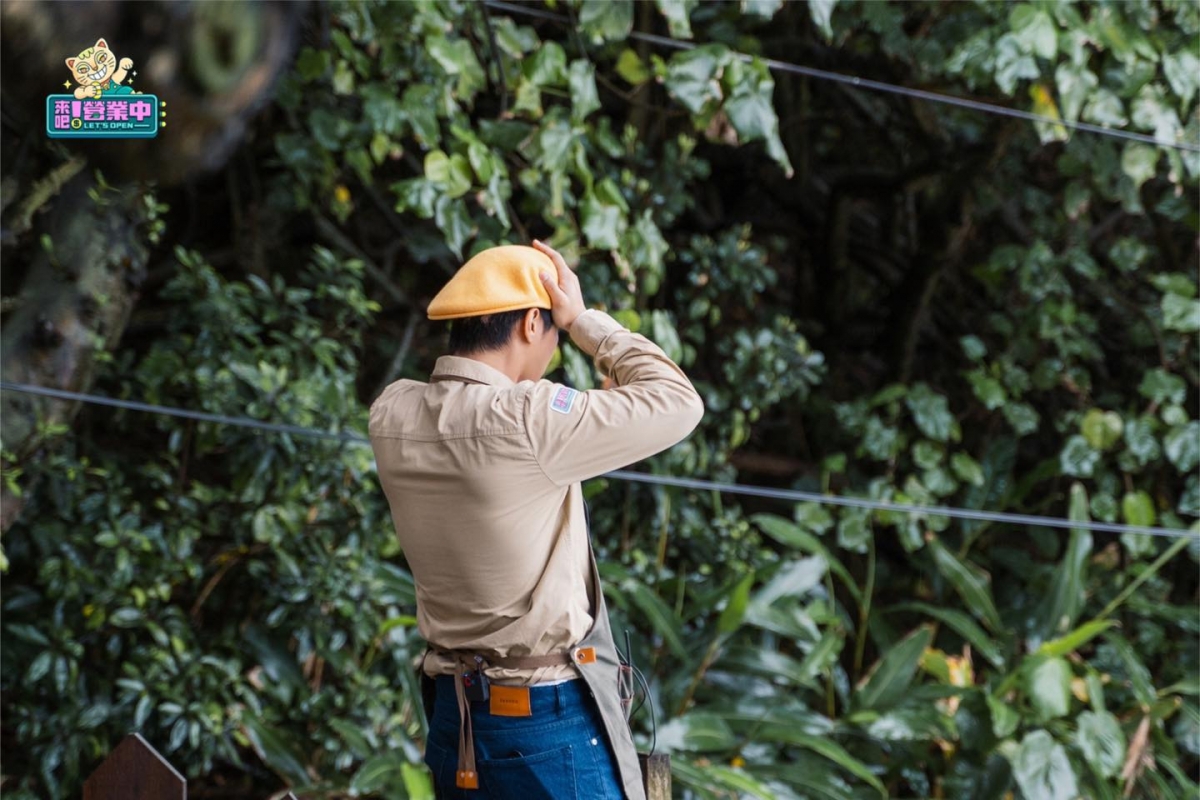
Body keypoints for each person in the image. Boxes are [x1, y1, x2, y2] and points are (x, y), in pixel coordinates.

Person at [369, 240, 704, 799]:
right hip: (544, 725)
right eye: (551, 332)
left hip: (456, 720)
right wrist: (585, 322)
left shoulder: (392, 412)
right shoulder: (528, 420)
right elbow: (677, 402)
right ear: (531, 323)